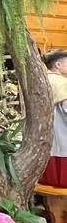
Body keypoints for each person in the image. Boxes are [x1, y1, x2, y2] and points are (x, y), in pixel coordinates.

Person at [40, 50, 67, 187]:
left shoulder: (40, 80)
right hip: (62, 130)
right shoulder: (62, 82)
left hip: (42, 131)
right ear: (58, 64)